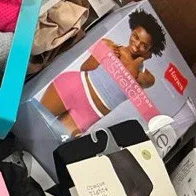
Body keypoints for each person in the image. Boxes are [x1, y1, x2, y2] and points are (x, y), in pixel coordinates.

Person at [40, 8, 165, 137]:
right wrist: (103, 53)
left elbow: (134, 75)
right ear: (132, 30)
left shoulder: (145, 77)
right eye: (135, 36)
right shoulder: (109, 44)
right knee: (35, 122)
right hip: (71, 87)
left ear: (150, 50)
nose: (137, 44)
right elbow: (85, 67)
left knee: (49, 139)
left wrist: (140, 59)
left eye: (144, 46)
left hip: (89, 113)